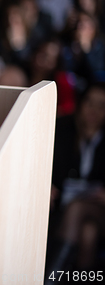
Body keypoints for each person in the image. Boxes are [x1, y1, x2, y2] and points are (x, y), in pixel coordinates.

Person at [47, 83, 105, 277]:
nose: (94, 110)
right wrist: (48, 184)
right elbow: (49, 168)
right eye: (89, 103)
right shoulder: (63, 128)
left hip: (99, 207)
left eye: (101, 105)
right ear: (81, 103)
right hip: (64, 203)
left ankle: (50, 279)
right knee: (88, 233)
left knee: (77, 209)